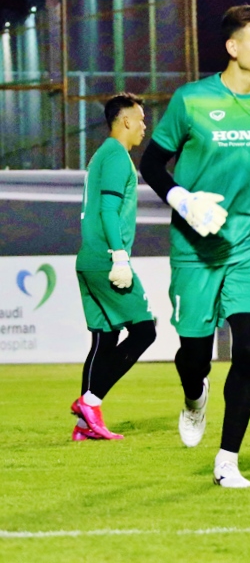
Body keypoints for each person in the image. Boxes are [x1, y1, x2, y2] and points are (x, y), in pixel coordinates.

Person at [140, 4, 250, 488]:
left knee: (249, 348)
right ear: (233, 47)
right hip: (196, 245)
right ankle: (195, 396)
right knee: (194, 354)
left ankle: (228, 460)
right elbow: (152, 163)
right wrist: (182, 199)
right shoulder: (191, 101)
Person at [72, 92, 157, 442]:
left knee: (104, 339)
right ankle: (89, 403)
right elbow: (108, 211)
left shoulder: (101, 155)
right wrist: (119, 256)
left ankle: (85, 426)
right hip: (107, 259)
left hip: (89, 257)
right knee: (145, 331)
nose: (144, 126)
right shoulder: (118, 157)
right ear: (125, 121)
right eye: (140, 120)